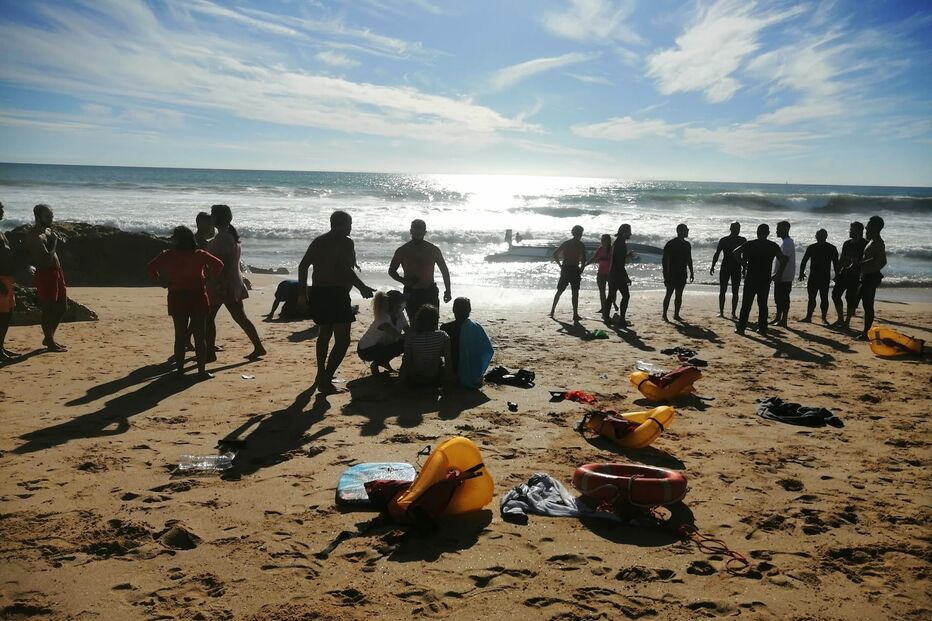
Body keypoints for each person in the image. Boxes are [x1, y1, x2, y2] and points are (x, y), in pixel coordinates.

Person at [298, 210, 375, 394]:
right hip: (336, 294)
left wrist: (302, 294)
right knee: (342, 340)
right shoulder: (346, 242)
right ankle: (326, 379)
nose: (351, 227)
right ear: (340, 225)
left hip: (318, 292)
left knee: (324, 334)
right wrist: (362, 287)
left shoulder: (318, 241)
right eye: (349, 224)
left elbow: (303, 266)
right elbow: (343, 268)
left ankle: (320, 374)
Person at [147, 226, 223, 379]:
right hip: (198, 296)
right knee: (200, 336)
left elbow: (150, 268)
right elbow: (219, 265)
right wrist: (209, 277)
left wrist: (162, 281)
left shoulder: (168, 255)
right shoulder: (199, 254)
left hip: (177, 296)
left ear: (177, 239)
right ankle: (201, 371)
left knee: (180, 336)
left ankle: (180, 371)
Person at [205, 204, 266, 362]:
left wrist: (220, 285)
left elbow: (223, 264)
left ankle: (210, 353)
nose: (211, 218)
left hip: (223, 285)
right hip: (232, 283)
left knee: (209, 318)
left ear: (217, 217)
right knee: (239, 317)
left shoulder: (223, 238)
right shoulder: (229, 236)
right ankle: (258, 347)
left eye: (213, 215)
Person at [388, 219, 452, 325]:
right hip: (411, 292)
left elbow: (444, 271)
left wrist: (448, 291)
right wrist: (403, 281)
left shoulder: (433, 249)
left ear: (424, 232)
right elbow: (391, 270)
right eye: (414, 228)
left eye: (419, 229)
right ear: (410, 231)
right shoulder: (402, 250)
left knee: (432, 324)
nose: (417, 231)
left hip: (430, 291)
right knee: (414, 324)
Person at [25, 204, 68, 352]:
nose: (51, 219)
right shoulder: (34, 235)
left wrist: (53, 238)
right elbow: (46, 258)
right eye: (47, 216)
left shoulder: (48, 231)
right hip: (45, 273)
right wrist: (54, 242)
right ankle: (50, 342)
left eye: (51, 216)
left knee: (63, 306)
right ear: (38, 217)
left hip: (57, 272)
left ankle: (49, 337)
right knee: (48, 308)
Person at [733, 224, 787, 336]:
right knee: (762, 304)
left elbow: (735, 253)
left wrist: (743, 264)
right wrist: (778, 273)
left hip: (751, 277)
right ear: (768, 233)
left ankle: (741, 328)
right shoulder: (773, 246)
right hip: (765, 278)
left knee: (746, 304)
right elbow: (783, 260)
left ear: (757, 232)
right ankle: (762, 329)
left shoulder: (750, 244)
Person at [441, 297, 494, 389]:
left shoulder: (445, 328)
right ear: (469, 310)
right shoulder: (476, 328)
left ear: (453, 310)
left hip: (451, 373)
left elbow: (441, 352)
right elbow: (488, 350)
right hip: (473, 376)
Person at [401, 304, 454, 388]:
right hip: (434, 378)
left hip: (414, 378)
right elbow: (448, 361)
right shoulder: (442, 336)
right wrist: (448, 382)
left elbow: (406, 362)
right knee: (441, 362)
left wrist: (400, 383)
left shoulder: (411, 337)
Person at [357, 289, 408, 375]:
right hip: (366, 350)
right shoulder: (383, 317)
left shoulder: (399, 314)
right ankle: (376, 363)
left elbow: (407, 329)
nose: (403, 303)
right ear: (394, 304)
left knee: (404, 343)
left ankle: (383, 362)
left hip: (382, 346)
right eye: (400, 302)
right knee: (402, 343)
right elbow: (395, 333)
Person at [798, 229, 839, 323]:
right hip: (814, 276)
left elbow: (836, 264)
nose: (820, 237)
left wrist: (837, 276)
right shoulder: (812, 247)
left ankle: (824, 318)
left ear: (826, 236)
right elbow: (804, 261)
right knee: (811, 298)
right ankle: (809, 317)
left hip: (824, 277)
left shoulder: (831, 248)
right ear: (816, 236)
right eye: (819, 235)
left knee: (824, 298)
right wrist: (801, 272)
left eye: (822, 235)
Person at [831, 221, 867, 328]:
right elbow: (841, 259)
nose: (850, 231)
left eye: (852, 230)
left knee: (850, 298)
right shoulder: (847, 243)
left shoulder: (865, 244)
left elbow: (867, 260)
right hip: (844, 273)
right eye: (850, 229)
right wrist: (837, 273)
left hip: (856, 275)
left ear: (860, 231)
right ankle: (840, 319)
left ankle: (847, 322)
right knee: (835, 295)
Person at [857, 216, 887, 340]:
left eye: (868, 225)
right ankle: (865, 332)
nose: (866, 227)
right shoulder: (872, 241)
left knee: (868, 306)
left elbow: (881, 260)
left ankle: (866, 333)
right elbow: (881, 260)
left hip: (871, 277)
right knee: (863, 303)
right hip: (867, 276)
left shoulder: (878, 242)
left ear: (875, 227)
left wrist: (862, 264)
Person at [549, 225, 587, 321]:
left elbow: (555, 254)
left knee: (560, 291)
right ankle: (575, 314)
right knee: (575, 292)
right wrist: (581, 269)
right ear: (580, 234)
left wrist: (560, 265)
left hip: (565, 268)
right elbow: (584, 259)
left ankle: (552, 311)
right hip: (574, 269)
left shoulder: (566, 243)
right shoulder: (580, 244)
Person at [710, 222, 746, 317]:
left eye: (738, 228)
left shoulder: (742, 240)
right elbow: (717, 253)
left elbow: (745, 255)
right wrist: (713, 265)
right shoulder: (724, 240)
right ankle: (722, 312)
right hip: (726, 266)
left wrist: (744, 268)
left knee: (735, 291)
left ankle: (733, 313)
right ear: (730, 228)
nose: (737, 230)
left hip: (736, 267)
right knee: (723, 290)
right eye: (735, 228)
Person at [661, 223, 693, 322]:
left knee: (679, 295)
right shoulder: (671, 244)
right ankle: (664, 314)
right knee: (669, 294)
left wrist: (692, 271)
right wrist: (665, 273)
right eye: (686, 230)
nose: (688, 231)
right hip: (672, 273)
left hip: (682, 272)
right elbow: (664, 260)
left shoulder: (687, 244)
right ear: (680, 231)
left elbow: (689, 259)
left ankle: (676, 314)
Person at [0, 202, 19, 360]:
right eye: (0, 209)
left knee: (7, 315)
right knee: (2, 316)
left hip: (7, 279)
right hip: (0, 280)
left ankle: (1, 347)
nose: (2, 211)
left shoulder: (1, 232)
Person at [606, 224, 633, 326]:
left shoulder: (616, 243)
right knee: (626, 296)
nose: (630, 233)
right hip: (618, 274)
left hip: (612, 272)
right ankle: (621, 319)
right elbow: (619, 263)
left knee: (611, 295)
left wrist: (626, 256)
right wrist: (626, 277)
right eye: (629, 231)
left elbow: (617, 259)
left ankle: (607, 317)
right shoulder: (621, 244)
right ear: (624, 232)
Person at [771, 221, 795, 327]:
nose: (776, 230)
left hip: (785, 275)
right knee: (778, 297)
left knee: (783, 297)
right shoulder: (785, 242)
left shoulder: (787, 243)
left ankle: (783, 320)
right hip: (783, 274)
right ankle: (778, 317)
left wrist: (779, 274)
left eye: (778, 228)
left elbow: (784, 260)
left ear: (785, 229)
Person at [588, 234, 612, 316]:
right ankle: (603, 308)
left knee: (611, 292)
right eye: (602, 239)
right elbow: (594, 258)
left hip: (610, 273)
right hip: (601, 272)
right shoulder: (600, 248)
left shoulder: (612, 249)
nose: (602, 241)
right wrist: (585, 265)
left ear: (608, 240)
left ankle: (608, 306)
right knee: (602, 291)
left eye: (604, 239)